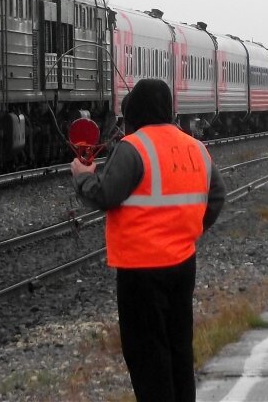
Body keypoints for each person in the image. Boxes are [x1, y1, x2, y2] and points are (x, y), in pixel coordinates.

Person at [71, 78, 226, 402]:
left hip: (141, 269)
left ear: (134, 113)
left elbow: (106, 194)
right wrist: (189, 230)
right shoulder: (195, 147)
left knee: (147, 355)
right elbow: (216, 196)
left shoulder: (133, 147)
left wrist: (83, 178)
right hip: (183, 263)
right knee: (179, 347)